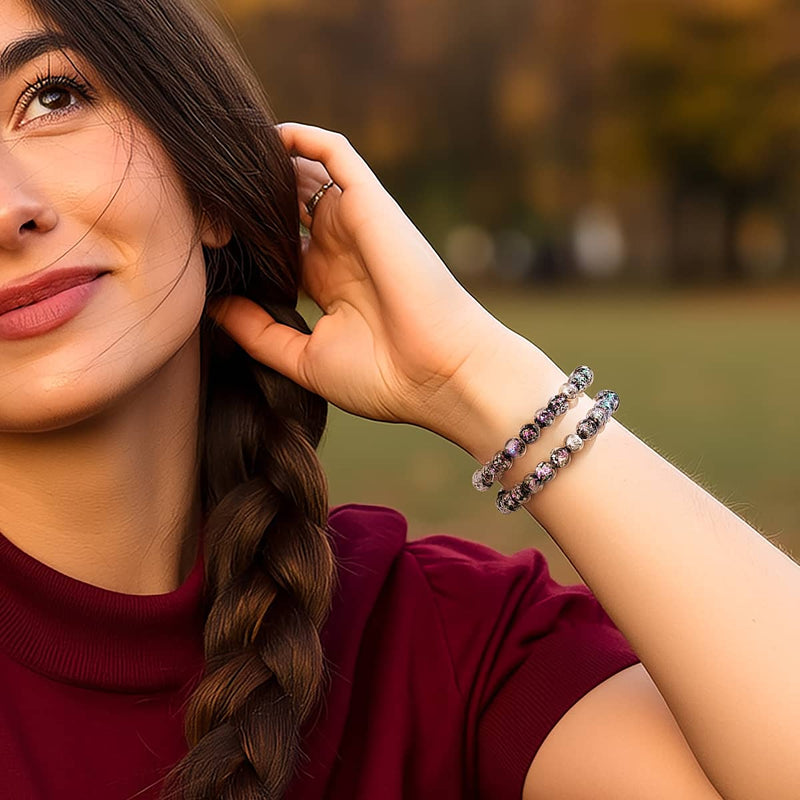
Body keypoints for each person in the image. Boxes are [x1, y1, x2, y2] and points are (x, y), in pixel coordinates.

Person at [0, 1, 797, 799]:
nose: (8, 208)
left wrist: (477, 375)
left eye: (52, 98)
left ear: (204, 178)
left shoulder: (441, 644)